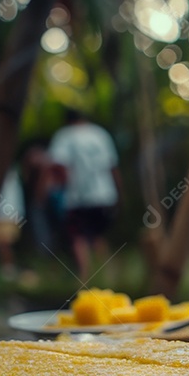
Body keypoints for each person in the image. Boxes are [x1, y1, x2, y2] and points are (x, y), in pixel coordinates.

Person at [49, 110, 121, 277]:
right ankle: (108, 276)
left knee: (78, 236)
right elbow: (112, 166)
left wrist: (61, 187)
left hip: (77, 196)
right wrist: (118, 192)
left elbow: (59, 165)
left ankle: (84, 276)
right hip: (103, 194)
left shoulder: (65, 136)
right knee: (98, 235)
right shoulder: (100, 134)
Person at [0, 167, 25, 280]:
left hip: (6, 215)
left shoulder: (8, 177)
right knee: (3, 244)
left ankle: (8, 268)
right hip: (8, 214)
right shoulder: (12, 177)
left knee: (4, 243)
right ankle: (8, 268)